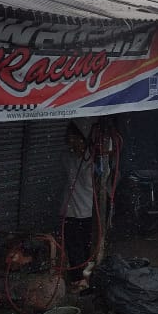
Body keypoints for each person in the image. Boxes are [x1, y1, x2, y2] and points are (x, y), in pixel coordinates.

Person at [61, 122, 94, 284]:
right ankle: (77, 280)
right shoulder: (67, 157)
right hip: (70, 212)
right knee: (74, 250)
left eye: (76, 140)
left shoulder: (93, 159)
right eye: (69, 140)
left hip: (88, 212)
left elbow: (91, 182)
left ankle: (86, 279)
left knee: (87, 248)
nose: (72, 144)